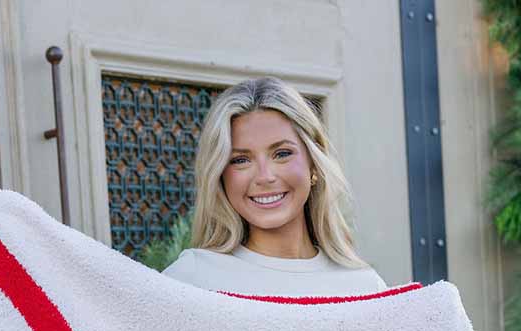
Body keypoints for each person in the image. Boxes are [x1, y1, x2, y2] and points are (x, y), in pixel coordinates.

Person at [161, 75, 395, 298]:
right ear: (221, 176)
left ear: (314, 165)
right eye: (241, 160)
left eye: (282, 154)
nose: (264, 177)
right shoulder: (192, 277)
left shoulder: (363, 286)